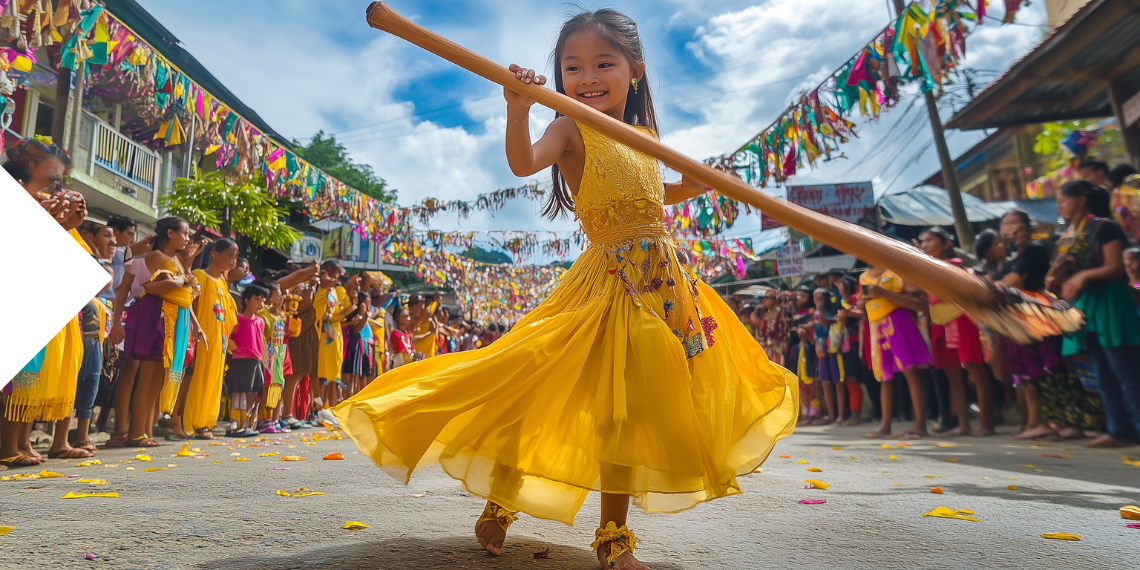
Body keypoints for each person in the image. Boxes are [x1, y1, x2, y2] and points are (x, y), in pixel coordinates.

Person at [333, 10, 798, 569]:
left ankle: (613, 535)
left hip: (662, 287)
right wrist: (519, 108)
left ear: (637, 72)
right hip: (605, 285)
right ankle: (501, 503)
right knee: (539, 393)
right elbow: (523, 162)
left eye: (604, 63)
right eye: (572, 67)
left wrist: (694, 185)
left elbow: (653, 192)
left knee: (629, 414)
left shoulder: (646, 136)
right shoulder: (568, 127)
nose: (588, 76)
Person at [1054, 179, 1140, 447]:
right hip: (1084, 304)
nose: (1060, 205)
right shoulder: (1068, 234)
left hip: (1110, 301)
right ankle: (1118, 429)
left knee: (1127, 372)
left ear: (1081, 198)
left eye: (1063, 200)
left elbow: (1116, 268)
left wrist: (1083, 275)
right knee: (1101, 373)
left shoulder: (1106, 227)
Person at [122, 216, 198, 447]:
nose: (187, 239)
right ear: (170, 233)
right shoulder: (156, 256)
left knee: (158, 376)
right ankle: (135, 433)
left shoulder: (174, 260)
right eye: (184, 234)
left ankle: (147, 430)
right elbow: (145, 287)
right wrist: (178, 284)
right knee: (147, 375)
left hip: (173, 318)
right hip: (156, 314)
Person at [919, 227, 996, 436]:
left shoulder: (956, 265)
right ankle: (963, 424)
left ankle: (986, 423)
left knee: (974, 369)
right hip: (939, 322)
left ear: (947, 244)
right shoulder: (924, 268)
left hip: (961, 319)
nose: (925, 245)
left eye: (930, 240)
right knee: (951, 373)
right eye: (922, 241)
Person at [858, 263, 934, 439]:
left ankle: (921, 425)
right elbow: (865, 308)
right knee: (884, 377)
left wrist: (885, 294)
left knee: (911, 373)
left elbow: (921, 305)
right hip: (876, 328)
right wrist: (862, 305)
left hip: (899, 324)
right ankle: (885, 426)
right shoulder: (864, 277)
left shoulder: (898, 272)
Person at [179, 238, 239, 439]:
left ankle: (206, 421)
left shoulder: (223, 282)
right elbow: (190, 306)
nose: (233, 261)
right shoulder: (199, 276)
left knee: (214, 380)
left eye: (235, 257)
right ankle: (191, 422)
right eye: (229, 256)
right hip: (201, 337)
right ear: (214, 254)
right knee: (199, 378)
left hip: (219, 339)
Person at [224, 284, 270, 437]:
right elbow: (228, 336)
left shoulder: (261, 321)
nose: (261, 303)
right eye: (257, 299)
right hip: (240, 360)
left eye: (263, 300)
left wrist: (265, 361)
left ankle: (248, 423)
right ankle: (235, 424)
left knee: (253, 393)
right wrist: (234, 347)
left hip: (256, 361)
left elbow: (261, 342)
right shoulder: (237, 319)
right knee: (239, 393)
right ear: (246, 300)